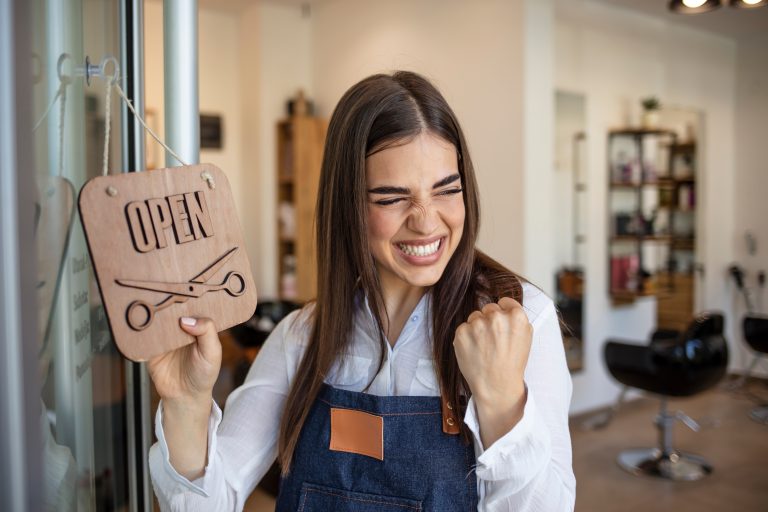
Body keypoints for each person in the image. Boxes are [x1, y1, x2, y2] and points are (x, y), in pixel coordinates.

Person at [148, 71, 575, 511]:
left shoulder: (520, 322)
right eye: (392, 198)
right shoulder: (302, 336)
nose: (427, 221)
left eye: (447, 189)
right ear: (348, 203)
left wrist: (503, 402)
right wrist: (186, 402)